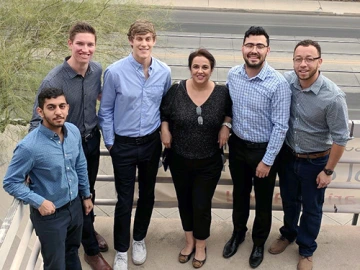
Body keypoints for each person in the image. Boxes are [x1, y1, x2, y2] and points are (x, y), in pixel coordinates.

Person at [28, 22, 111, 269]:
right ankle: (91, 252)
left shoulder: (96, 70)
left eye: (90, 44)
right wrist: (33, 163)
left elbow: (98, 97)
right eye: (80, 44)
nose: (85, 49)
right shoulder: (54, 80)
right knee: (73, 196)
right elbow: (35, 121)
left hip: (91, 141)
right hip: (65, 148)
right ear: (70, 44)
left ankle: (89, 230)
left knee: (88, 191)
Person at [268, 40, 349, 270]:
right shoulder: (286, 82)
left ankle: (306, 249)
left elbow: (341, 138)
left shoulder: (333, 97)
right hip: (289, 156)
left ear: (319, 62)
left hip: (316, 161)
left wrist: (328, 171)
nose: (303, 64)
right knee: (289, 202)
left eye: (309, 59)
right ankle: (288, 234)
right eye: (298, 59)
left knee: (312, 208)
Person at [98, 19, 171, 270]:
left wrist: (164, 132)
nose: (144, 43)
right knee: (124, 199)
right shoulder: (115, 72)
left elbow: (164, 108)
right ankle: (121, 249)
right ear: (131, 41)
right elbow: (105, 111)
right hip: (123, 145)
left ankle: (139, 238)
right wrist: (110, 143)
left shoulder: (164, 71)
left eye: (148, 38)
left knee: (147, 195)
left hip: (151, 143)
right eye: (139, 38)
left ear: (154, 41)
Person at [222, 26, 291, 268]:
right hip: (238, 147)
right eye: (250, 45)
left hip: (264, 150)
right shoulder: (233, 75)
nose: (254, 50)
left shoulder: (278, 83)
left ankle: (259, 241)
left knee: (263, 202)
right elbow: (229, 109)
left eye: (259, 46)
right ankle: (238, 233)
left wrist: (267, 160)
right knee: (239, 196)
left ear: (267, 50)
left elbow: (281, 126)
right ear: (243, 47)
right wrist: (226, 126)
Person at [3, 88, 93, 270]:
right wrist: (38, 201)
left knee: (72, 253)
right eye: (51, 107)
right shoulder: (29, 147)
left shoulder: (73, 131)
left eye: (62, 106)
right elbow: (11, 182)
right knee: (55, 265)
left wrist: (85, 195)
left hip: (75, 207)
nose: (58, 112)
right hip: (50, 216)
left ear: (68, 108)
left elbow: (80, 164)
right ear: (40, 111)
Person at [160, 48, 232, 269]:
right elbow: (164, 114)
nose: (200, 71)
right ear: (190, 68)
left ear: (211, 69)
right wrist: (165, 129)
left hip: (208, 160)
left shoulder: (221, 93)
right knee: (184, 201)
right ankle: (189, 241)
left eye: (205, 67)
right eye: (196, 67)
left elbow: (230, 112)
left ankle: (201, 244)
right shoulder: (176, 90)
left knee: (201, 204)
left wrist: (225, 126)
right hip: (179, 158)